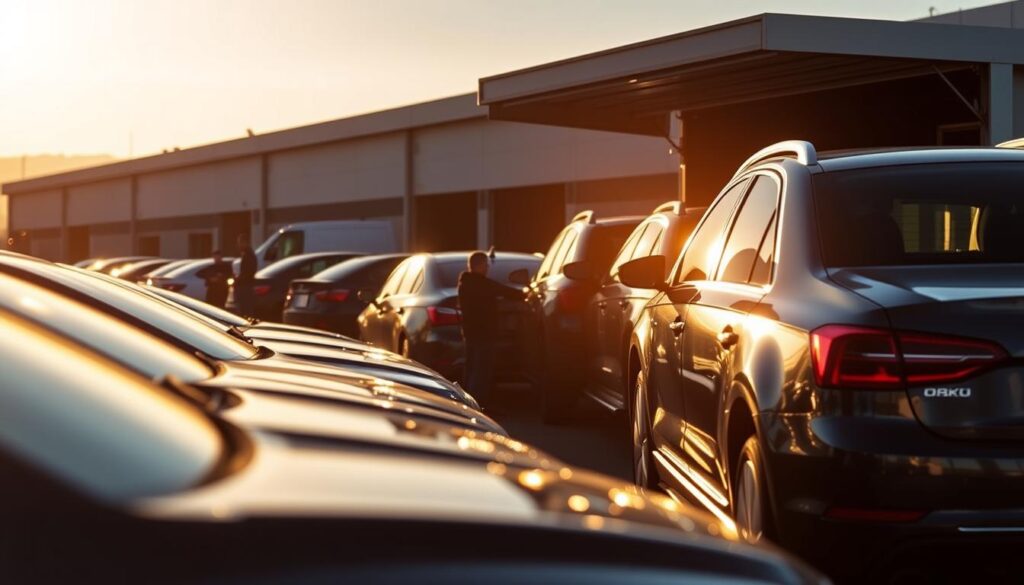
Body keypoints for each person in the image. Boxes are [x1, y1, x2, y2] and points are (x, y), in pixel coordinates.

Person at [457, 251, 524, 407]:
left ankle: (467, 404)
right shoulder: (481, 284)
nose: (487, 268)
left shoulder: (465, 283)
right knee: (481, 372)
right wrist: (525, 294)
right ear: (479, 266)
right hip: (484, 333)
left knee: (472, 368)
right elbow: (506, 291)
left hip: (470, 332)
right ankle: (477, 406)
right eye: (485, 265)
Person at [234, 234, 258, 318]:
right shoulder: (246, 254)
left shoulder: (249, 255)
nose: (238, 245)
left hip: (245, 285)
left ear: (245, 243)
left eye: (240, 242)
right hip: (245, 284)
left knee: (245, 308)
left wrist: (238, 279)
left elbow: (248, 272)